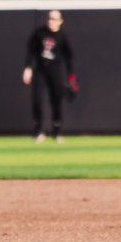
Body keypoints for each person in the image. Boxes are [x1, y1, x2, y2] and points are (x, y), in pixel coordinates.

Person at [22, 9, 76, 143]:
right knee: (37, 100)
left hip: (55, 70)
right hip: (40, 69)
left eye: (55, 19)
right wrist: (28, 68)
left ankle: (57, 132)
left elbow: (68, 58)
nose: (52, 21)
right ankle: (38, 131)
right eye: (50, 18)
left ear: (61, 21)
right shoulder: (40, 33)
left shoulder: (62, 36)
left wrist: (71, 79)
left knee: (56, 100)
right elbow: (31, 51)